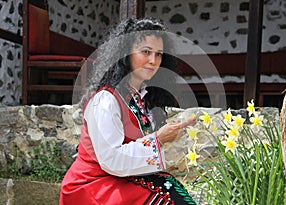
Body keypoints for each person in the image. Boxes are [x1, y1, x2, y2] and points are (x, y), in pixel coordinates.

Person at [60, 17, 197, 205]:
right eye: (146, 52)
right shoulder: (105, 100)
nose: (153, 61)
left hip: (118, 179)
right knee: (166, 196)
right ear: (126, 54)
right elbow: (111, 160)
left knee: (170, 187)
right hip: (92, 186)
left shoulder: (142, 98)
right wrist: (158, 139)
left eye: (159, 54)